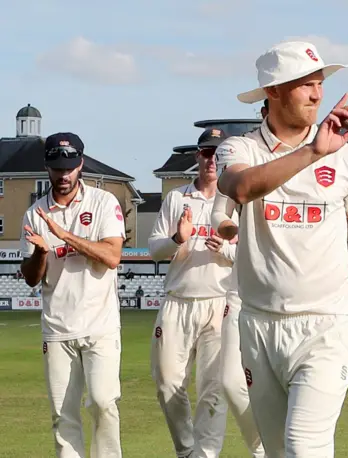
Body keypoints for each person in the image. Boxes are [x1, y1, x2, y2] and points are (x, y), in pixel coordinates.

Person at [212, 40, 348, 456]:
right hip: (258, 326)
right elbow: (241, 187)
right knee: (275, 450)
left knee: (304, 447)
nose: (317, 94)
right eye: (305, 85)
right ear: (272, 91)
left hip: (325, 324)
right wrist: (313, 153)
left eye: (320, 83)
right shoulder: (239, 149)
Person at [20, 132, 125, 458]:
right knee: (62, 417)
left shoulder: (103, 202)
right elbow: (31, 279)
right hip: (58, 327)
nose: (62, 176)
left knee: (104, 403)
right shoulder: (34, 214)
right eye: (55, 168)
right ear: (47, 168)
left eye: (69, 168)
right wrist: (40, 253)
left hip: (100, 325)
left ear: (80, 164)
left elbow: (111, 257)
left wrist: (64, 236)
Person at [148, 127, 235, 458]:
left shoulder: (235, 202)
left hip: (219, 302)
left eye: (217, 154)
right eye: (206, 153)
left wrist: (225, 250)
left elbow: (249, 256)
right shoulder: (176, 197)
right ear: (197, 156)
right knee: (168, 383)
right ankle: (187, 450)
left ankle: (206, 454)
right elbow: (155, 249)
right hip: (178, 301)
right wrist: (177, 239)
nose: (211, 159)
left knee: (214, 388)